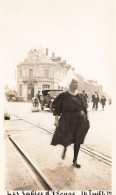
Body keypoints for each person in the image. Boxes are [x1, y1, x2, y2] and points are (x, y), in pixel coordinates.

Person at [51, 71, 90, 168]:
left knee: (78, 140)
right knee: (66, 137)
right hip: (67, 120)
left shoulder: (81, 95)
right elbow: (57, 108)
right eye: (76, 82)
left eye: (77, 82)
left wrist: (87, 119)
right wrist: (56, 120)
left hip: (80, 121)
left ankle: (75, 160)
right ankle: (65, 147)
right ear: (71, 84)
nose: (78, 84)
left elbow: (85, 108)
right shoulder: (63, 95)